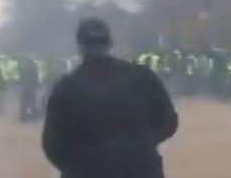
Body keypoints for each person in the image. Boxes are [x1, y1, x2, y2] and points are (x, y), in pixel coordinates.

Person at [42, 18, 178, 178]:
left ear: (79, 46)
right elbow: (169, 122)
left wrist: (79, 165)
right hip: (142, 169)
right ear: (109, 43)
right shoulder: (142, 76)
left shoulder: (65, 87)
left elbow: (53, 145)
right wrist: (143, 145)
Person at [18, 56, 39, 123]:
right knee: (32, 102)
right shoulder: (34, 66)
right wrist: (36, 84)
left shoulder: (23, 66)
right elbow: (36, 76)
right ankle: (34, 117)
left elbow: (21, 77)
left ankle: (23, 117)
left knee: (24, 102)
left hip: (25, 87)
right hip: (31, 86)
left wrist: (20, 84)